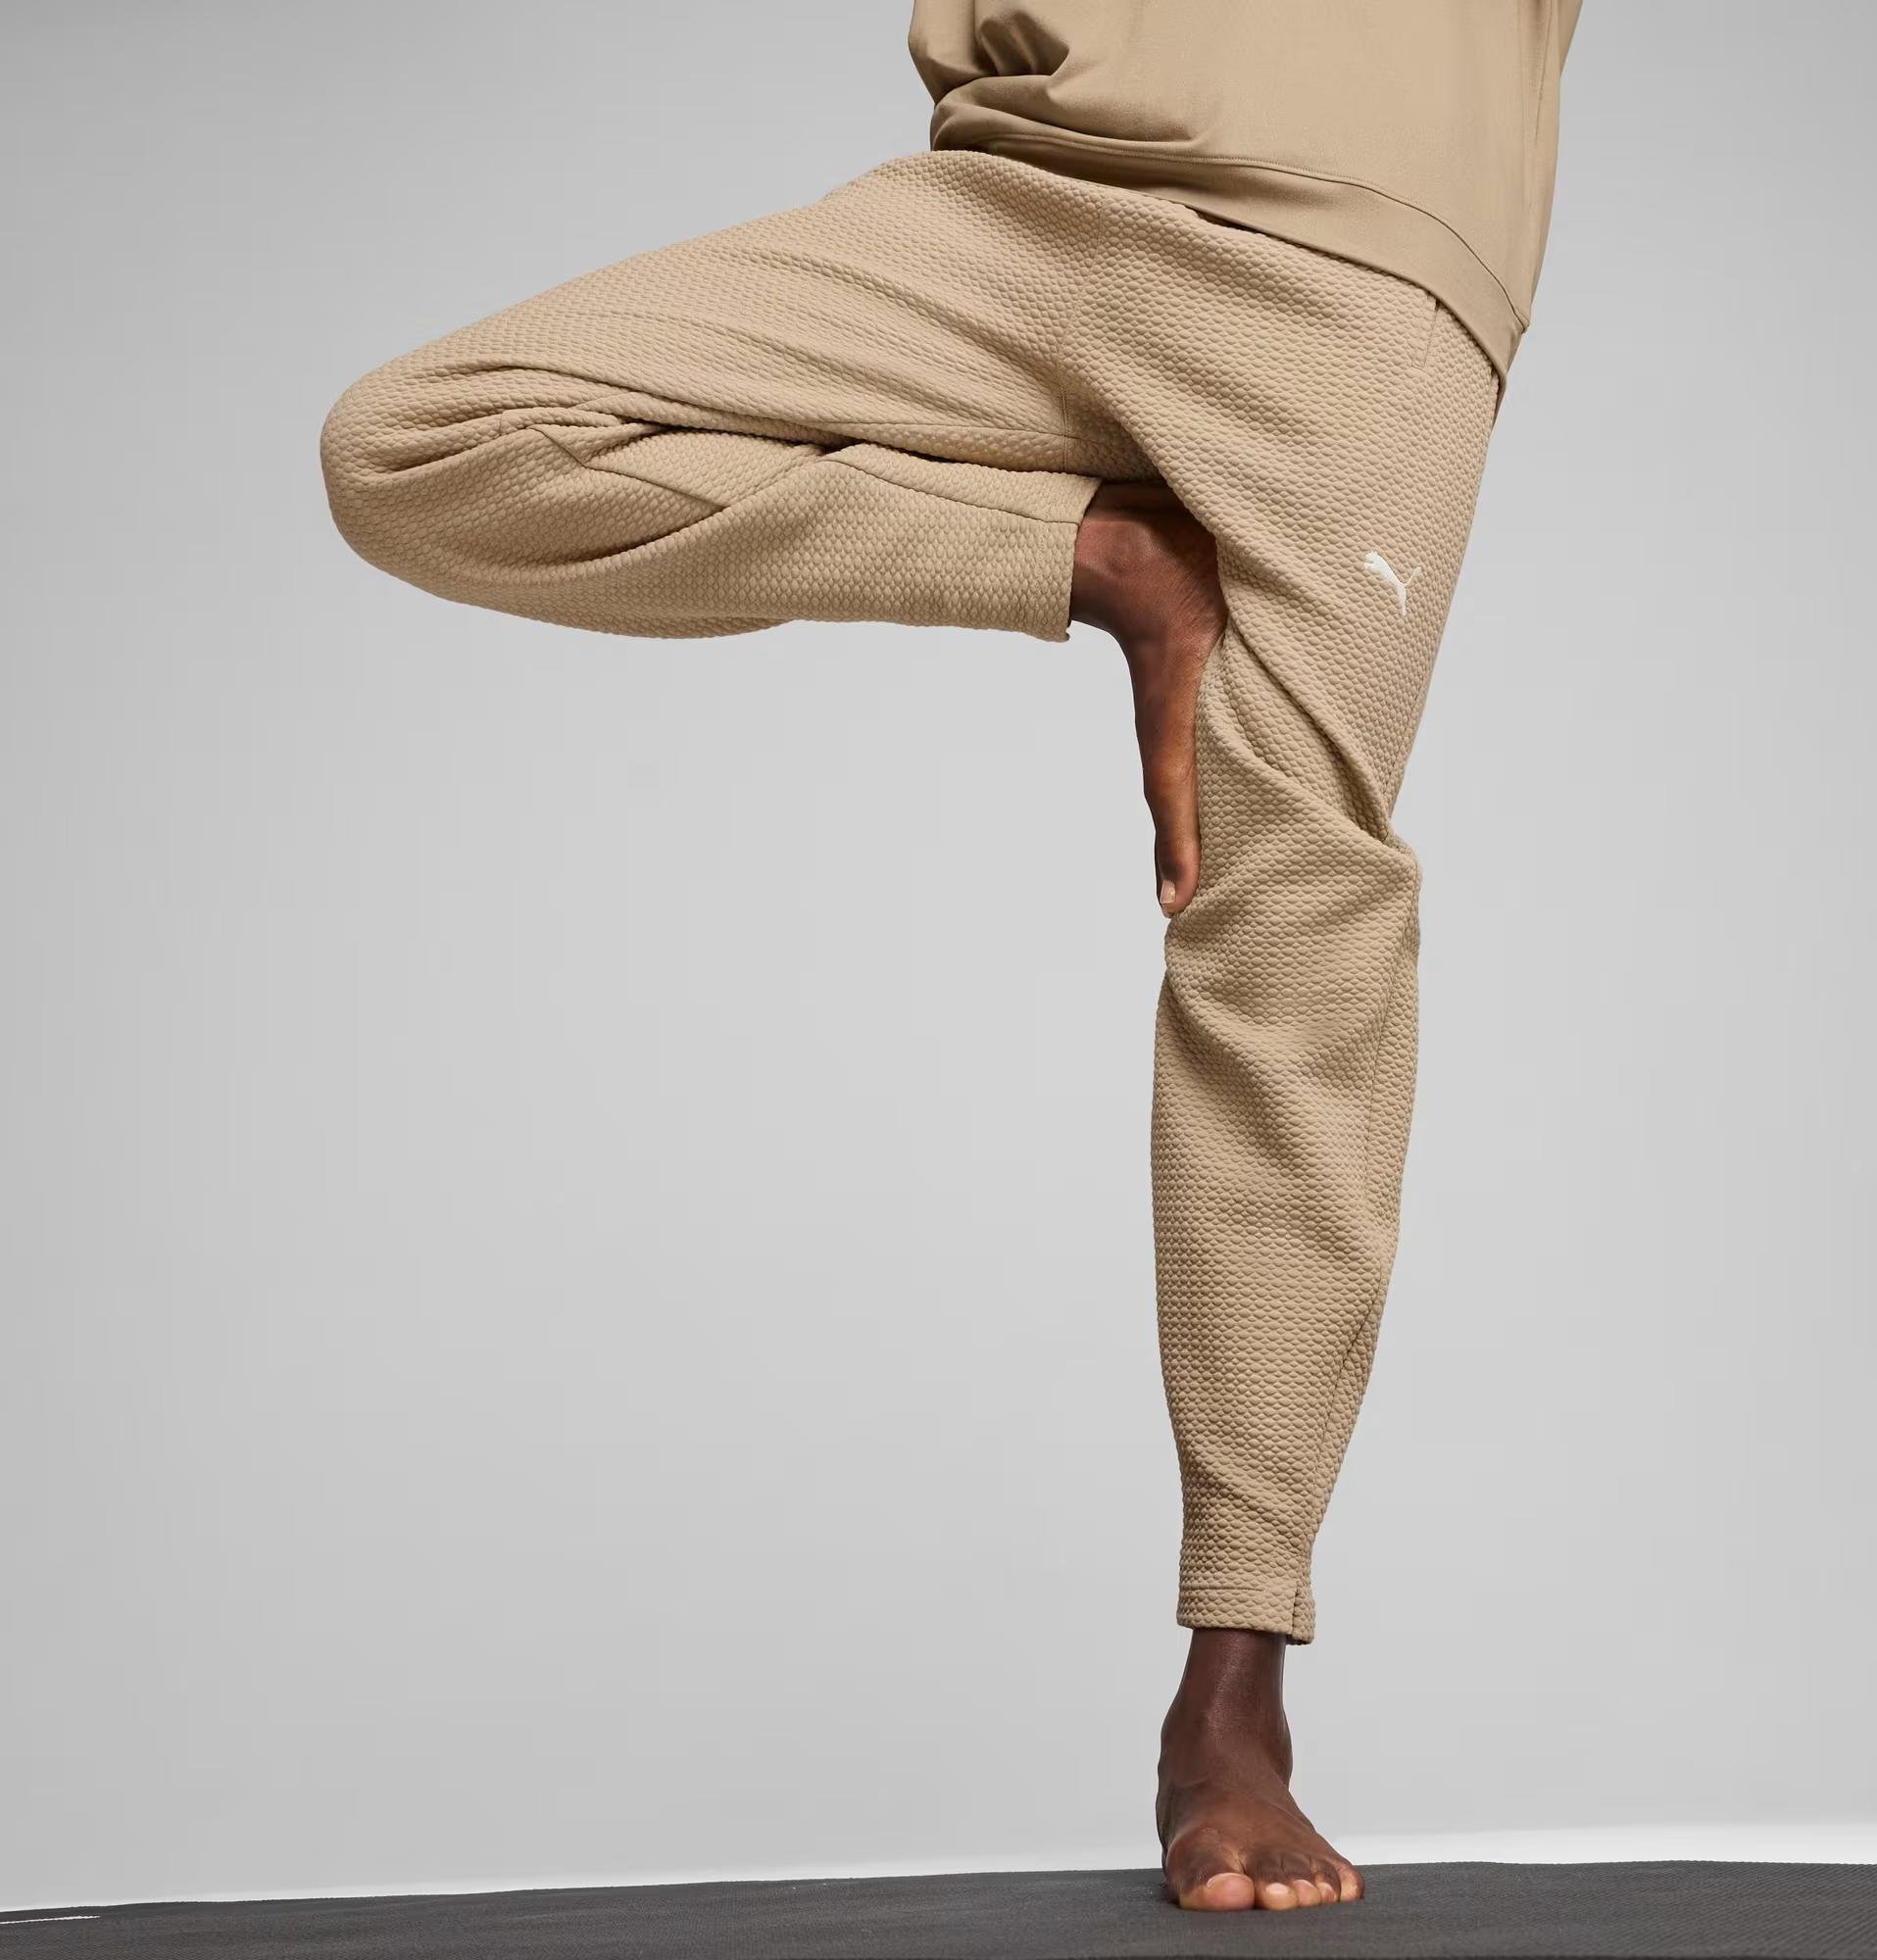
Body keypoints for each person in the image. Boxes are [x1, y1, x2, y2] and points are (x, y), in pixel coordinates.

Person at [321, 0, 1583, 1914]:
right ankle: (1097, 559)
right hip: (1014, 197)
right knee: (419, 440)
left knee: (1287, 912)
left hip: (1353, 263)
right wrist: (1040, 546)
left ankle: (1233, 1692)